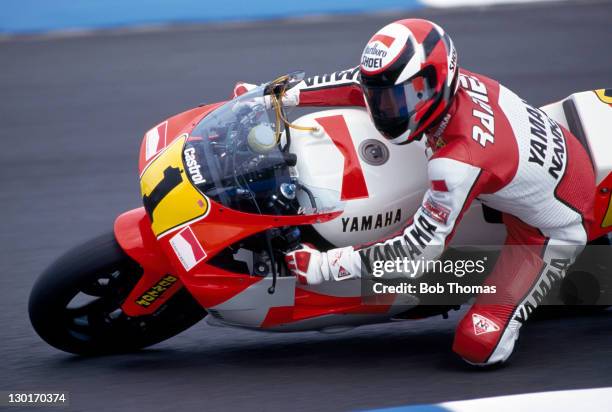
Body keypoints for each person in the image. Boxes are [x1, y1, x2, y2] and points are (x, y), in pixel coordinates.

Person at [235, 18, 595, 366]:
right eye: (381, 97)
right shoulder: (444, 86)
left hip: (549, 228)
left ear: (434, 84)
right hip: (525, 164)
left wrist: (325, 265)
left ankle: (548, 281)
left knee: (479, 344)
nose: (384, 109)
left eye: (397, 99)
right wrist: (270, 98)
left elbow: (416, 251)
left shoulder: (458, 161)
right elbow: (353, 83)